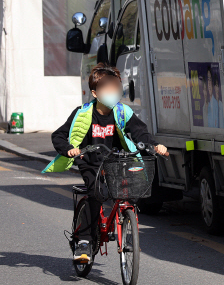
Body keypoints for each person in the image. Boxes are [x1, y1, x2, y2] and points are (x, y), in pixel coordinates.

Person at [45, 63, 167, 264]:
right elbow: (58, 135)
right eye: (107, 90)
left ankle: (124, 218)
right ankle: (84, 241)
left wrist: (155, 145)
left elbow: (139, 132)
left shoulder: (121, 112)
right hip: (90, 163)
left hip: (115, 162)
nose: (113, 93)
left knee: (129, 190)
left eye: (115, 88)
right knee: (95, 193)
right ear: (95, 93)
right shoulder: (83, 113)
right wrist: (69, 149)